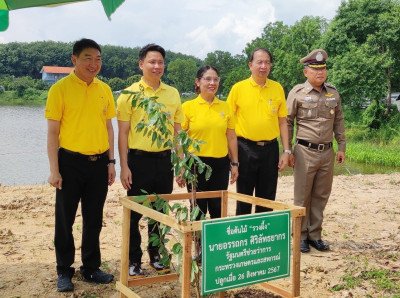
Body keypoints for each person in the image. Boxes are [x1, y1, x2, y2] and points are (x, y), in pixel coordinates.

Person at [45, 38, 116, 292]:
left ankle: (90, 268)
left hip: (98, 164)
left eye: (98, 58)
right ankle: (64, 270)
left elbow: (109, 128)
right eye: (88, 58)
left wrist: (111, 162)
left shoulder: (104, 89)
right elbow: (53, 133)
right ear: (74, 59)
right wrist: (54, 169)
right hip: (69, 163)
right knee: (64, 219)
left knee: (94, 219)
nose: (93, 63)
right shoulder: (60, 89)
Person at [117, 43, 183, 277]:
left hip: (165, 161)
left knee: (160, 211)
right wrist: (124, 166)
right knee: (135, 213)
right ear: (141, 64)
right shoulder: (129, 94)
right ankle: (133, 260)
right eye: (152, 62)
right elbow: (123, 133)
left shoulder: (173, 93)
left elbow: (177, 132)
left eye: (160, 62)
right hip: (138, 162)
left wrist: (181, 163)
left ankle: (157, 254)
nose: (157, 66)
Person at [286, 49, 346, 253]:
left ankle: (314, 235)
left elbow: (338, 121)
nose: (320, 72)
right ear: (306, 72)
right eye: (315, 69)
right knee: (302, 196)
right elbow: (287, 122)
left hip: (327, 152)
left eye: (323, 68)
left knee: (321, 195)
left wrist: (341, 147)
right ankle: (300, 235)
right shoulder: (297, 93)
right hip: (304, 151)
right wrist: (287, 150)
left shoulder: (333, 92)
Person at [226, 47, 290, 215]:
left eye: (267, 62)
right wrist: (232, 157)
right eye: (259, 62)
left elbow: (283, 122)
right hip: (245, 148)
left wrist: (286, 151)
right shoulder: (238, 89)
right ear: (250, 65)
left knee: (267, 196)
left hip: (270, 149)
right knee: (244, 195)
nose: (263, 66)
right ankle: (243, 236)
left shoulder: (277, 88)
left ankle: (262, 236)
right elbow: (228, 125)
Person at [178, 66, 239, 219]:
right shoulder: (187, 107)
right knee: (197, 208)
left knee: (218, 208)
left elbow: (231, 137)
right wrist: (180, 166)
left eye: (216, 79)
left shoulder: (226, 107)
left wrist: (236, 164)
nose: (212, 83)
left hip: (220, 165)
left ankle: (216, 243)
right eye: (208, 79)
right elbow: (179, 140)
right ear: (198, 82)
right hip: (195, 164)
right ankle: (198, 242)